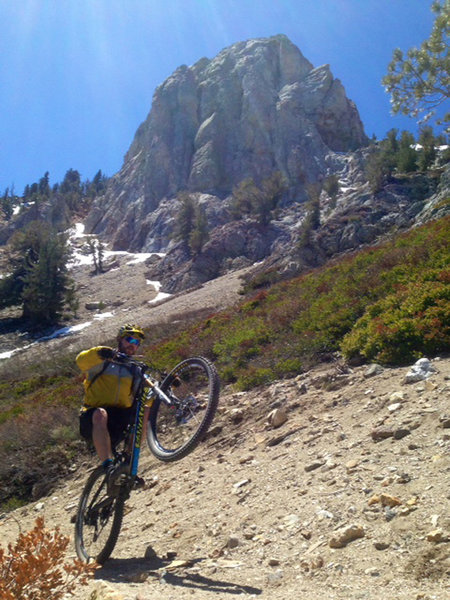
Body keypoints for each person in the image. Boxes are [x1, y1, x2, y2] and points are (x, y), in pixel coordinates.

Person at [76, 323, 148, 482]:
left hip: (118, 418)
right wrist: (100, 352)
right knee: (100, 414)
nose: (132, 345)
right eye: (129, 339)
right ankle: (108, 467)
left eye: (137, 343)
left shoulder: (133, 368)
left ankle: (129, 466)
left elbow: (147, 392)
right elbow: (80, 361)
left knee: (144, 412)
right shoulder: (102, 361)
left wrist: (168, 385)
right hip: (93, 418)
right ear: (120, 340)